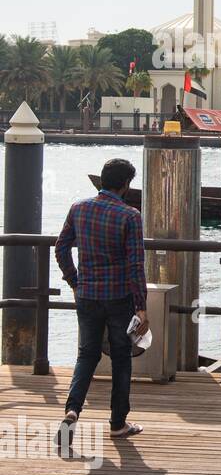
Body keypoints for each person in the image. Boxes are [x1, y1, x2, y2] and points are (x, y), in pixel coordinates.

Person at [55, 158, 148, 441]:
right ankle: (118, 423)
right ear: (126, 184)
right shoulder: (130, 216)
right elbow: (136, 266)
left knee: (87, 355)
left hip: (87, 295)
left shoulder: (79, 208)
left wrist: (74, 280)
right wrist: (142, 307)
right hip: (119, 298)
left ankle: (72, 410)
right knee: (121, 358)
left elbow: (61, 248)